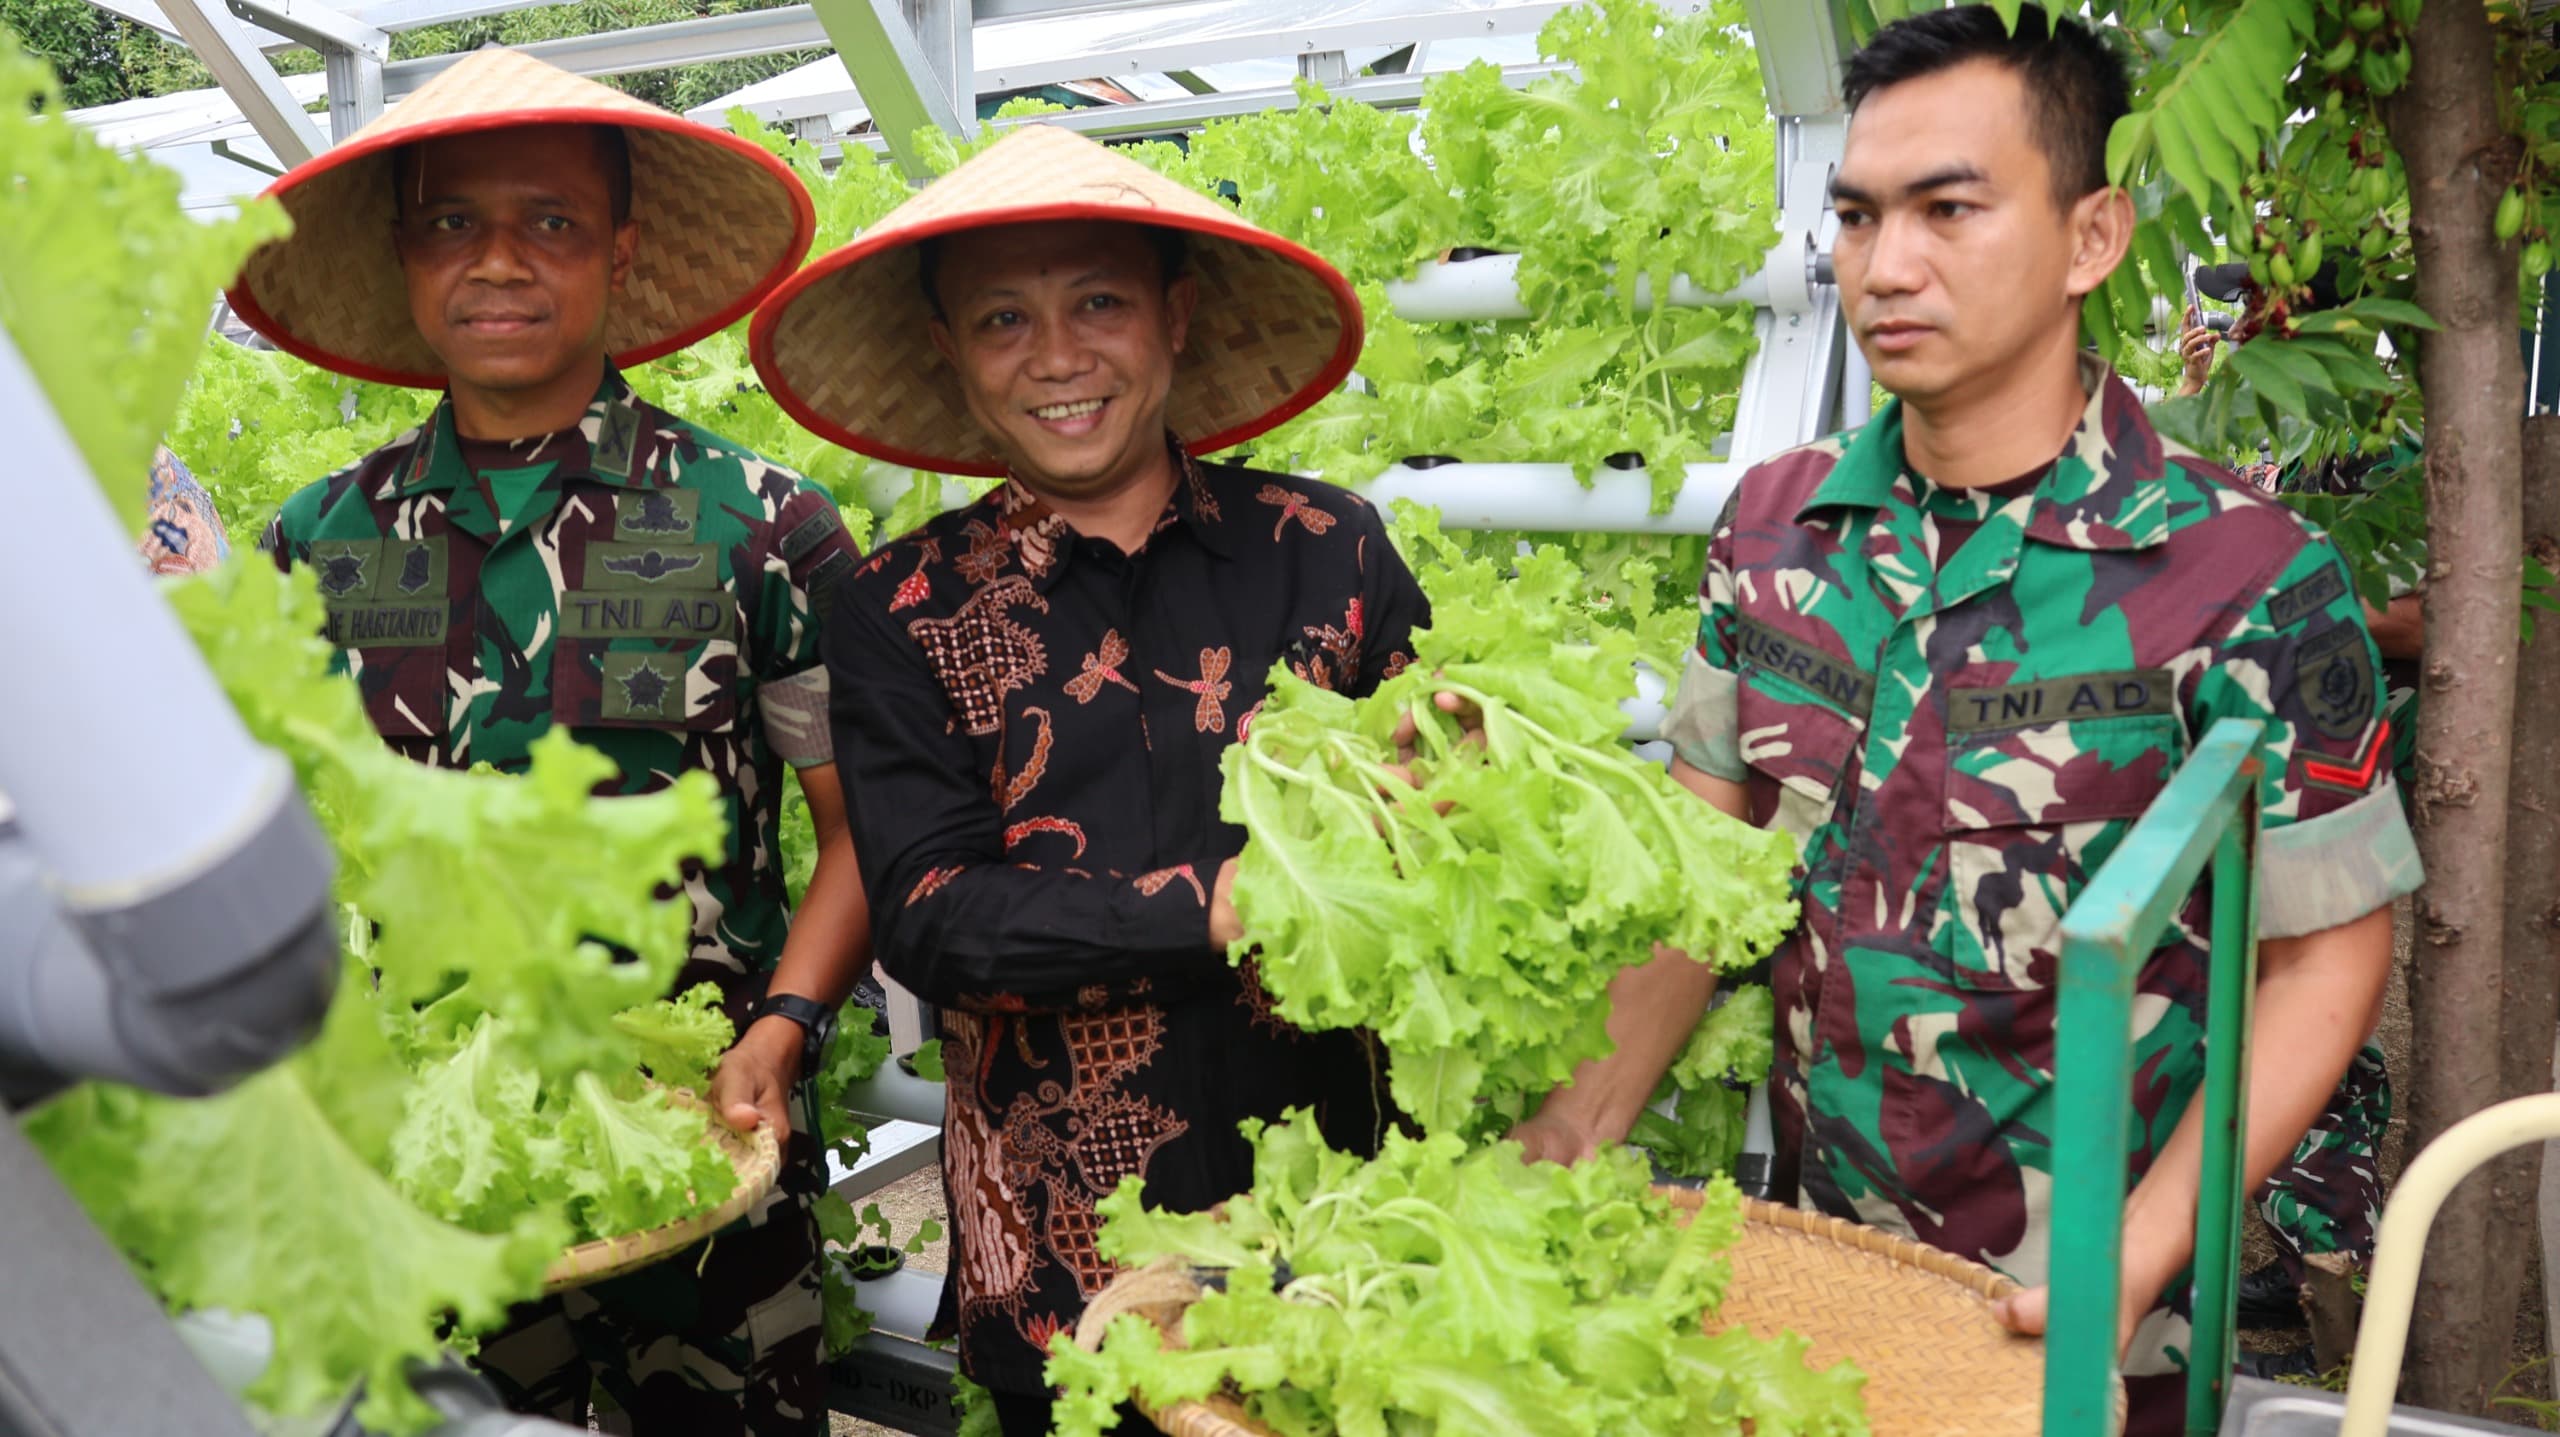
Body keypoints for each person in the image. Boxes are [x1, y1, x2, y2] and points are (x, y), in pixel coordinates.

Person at [1508, 9, 2422, 1432]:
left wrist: (2136, 1253)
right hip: (1825, 1293)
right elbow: (1709, 864)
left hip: (2097, 1331)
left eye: (1951, 209)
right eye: (1860, 218)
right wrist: (1578, 1120)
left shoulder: (2242, 575)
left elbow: (2323, 950)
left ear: (2090, 237)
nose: (1888, 266)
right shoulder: (1774, 533)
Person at [754, 124, 1425, 1437]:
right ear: (951, 354)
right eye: (1003, 317)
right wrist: (1214, 903)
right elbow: (936, 915)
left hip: (1348, 1238)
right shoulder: (902, 608)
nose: (1056, 357)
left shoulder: (1325, 547)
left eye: (1099, 301)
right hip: (1061, 1279)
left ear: (1177, 318)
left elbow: (1439, 814)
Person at [231, 48, 866, 1434]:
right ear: (405, 257)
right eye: (452, 222)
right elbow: (267, 836)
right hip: (429, 1166)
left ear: (620, 252)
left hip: (703, 1144)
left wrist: (785, 1026)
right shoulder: (316, 542)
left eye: (552, 222)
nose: (498, 261)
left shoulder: (757, 524)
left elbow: (857, 825)